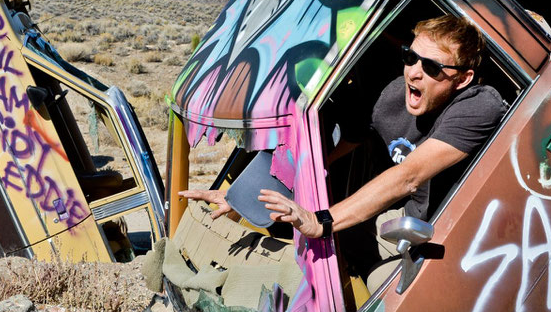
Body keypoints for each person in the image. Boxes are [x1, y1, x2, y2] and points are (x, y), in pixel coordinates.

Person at [183, 15, 506, 292]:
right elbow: (326, 149)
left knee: (388, 305)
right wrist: (241, 196)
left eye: (433, 67)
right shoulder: (389, 93)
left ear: (462, 79)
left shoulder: (480, 105)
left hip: (443, 240)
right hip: (384, 225)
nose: (415, 72)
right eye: (411, 57)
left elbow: (410, 176)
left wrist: (321, 221)